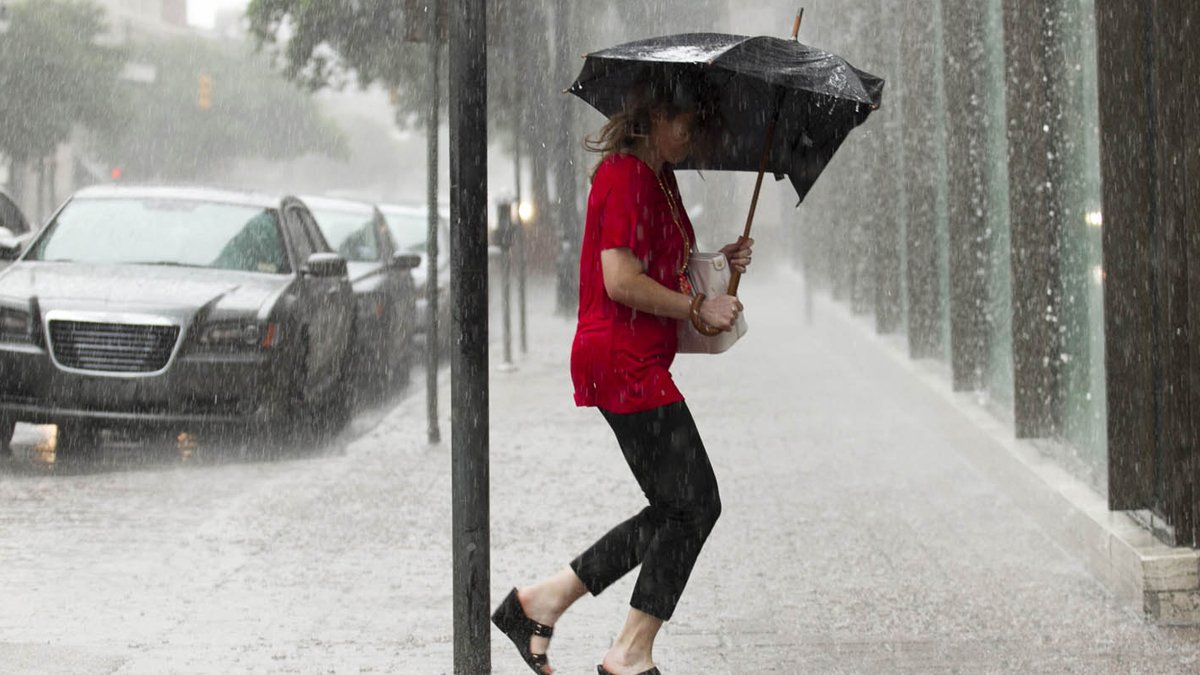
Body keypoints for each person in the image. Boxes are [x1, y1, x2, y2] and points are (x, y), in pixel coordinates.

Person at [492, 75, 753, 675]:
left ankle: (540, 603)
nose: (693, 135)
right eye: (686, 122)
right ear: (654, 118)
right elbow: (620, 280)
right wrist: (695, 308)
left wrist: (720, 262)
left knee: (675, 506)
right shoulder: (625, 177)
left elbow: (666, 262)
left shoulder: (660, 178)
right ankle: (629, 653)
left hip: (637, 359)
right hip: (620, 360)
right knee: (695, 504)